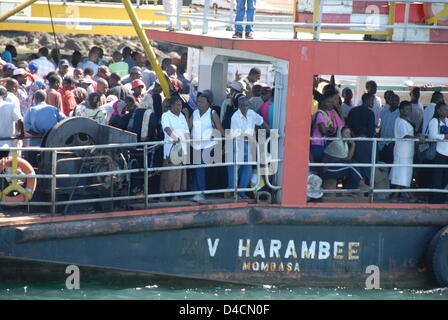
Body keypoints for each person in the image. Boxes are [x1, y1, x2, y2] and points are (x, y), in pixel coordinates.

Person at [228, 96, 267, 199]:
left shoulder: (252, 114)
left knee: (248, 170)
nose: (244, 107)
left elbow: (261, 122)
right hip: (238, 143)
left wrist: (271, 132)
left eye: (246, 105)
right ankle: (233, 193)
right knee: (235, 169)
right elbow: (236, 134)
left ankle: (242, 192)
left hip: (249, 143)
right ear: (239, 106)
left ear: (248, 105)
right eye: (242, 105)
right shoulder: (235, 117)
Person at [189, 92, 225, 201]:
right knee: (197, 169)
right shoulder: (195, 113)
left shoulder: (212, 113)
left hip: (207, 146)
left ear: (208, 103)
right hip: (194, 145)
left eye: (202, 102)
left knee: (200, 168)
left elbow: (220, 130)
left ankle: (200, 193)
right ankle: (197, 191)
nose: (199, 104)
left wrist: (225, 143)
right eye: (198, 101)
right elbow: (188, 127)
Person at [159, 96, 190, 201]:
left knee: (179, 173)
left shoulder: (181, 116)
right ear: (171, 106)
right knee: (168, 173)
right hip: (171, 148)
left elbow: (186, 131)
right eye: (177, 105)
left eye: (180, 105)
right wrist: (174, 138)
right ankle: (162, 196)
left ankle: (174, 196)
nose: (179, 107)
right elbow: (166, 128)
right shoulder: (166, 115)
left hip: (182, 148)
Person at [322, 126, 368, 191]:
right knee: (351, 166)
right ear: (340, 134)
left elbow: (349, 158)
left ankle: (350, 191)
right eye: (346, 133)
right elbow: (348, 159)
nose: (348, 136)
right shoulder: (337, 143)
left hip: (335, 167)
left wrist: (352, 145)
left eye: (349, 134)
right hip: (328, 169)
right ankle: (361, 184)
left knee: (355, 166)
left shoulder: (344, 143)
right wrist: (353, 145)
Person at [389, 101, 419, 202]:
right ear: (401, 110)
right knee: (402, 174)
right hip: (402, 152)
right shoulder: (400, 121)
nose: (409, 111)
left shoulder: (404, 120)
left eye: (410, 109)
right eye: (407, 109)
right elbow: (405, 135)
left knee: (403, 175)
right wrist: (417, 137)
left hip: (406, 152)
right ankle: (403, 196)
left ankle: (398, 196)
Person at [428, 102, 448, 204]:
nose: (446, 111)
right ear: (438, 111)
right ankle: (436, 200)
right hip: (439, 152)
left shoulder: (447, 121)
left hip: (447, 152)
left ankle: (442, 197)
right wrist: (444, 137)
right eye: (444, 109)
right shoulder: (434, 121)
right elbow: (432, 136)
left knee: (445, 177)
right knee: (437, 177)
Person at [0, 85, 24, 159]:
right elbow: (20, 120)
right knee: (2, 167)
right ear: (5, 97)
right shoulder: (10, 106)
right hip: (5, 144)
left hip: (4, 143)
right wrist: (21, 134)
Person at [379, 93, 400, 164]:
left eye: (395, 100)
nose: (393, 102)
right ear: (389, 101)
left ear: (398, 102)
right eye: (392, 100)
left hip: (392, 144)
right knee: (381, 166)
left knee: (391, 164)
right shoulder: (384, 112)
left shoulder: (400, 114)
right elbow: (381, 126)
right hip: (382, 143)